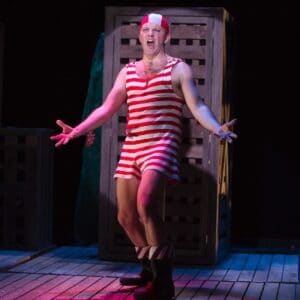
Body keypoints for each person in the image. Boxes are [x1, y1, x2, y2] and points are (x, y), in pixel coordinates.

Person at [51, 12, 237, 300]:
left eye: (157, 31)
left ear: (167, 36)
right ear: (140, 35)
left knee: (145, 203)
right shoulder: (127, 72)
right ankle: (149, 271)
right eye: (146, 30)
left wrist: (216, 128)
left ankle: (164, 284)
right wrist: (77, 131)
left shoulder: (179, 69)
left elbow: (197, 105)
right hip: (133, 146)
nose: (151, 35)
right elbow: (106, 108)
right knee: (125, 217)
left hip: (161, 145)